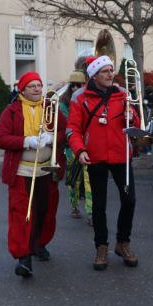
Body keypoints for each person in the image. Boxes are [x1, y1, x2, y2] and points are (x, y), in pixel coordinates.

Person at [68, 56, 140, 271]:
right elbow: (73, 129)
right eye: (105, 71)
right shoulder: (79, 97)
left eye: (111, 70)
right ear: (94, 75)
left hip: (121, 155)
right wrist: (80, 150)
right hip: (95, 156)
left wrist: (132, 118)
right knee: (98, 205)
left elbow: (135, 123)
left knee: (129, 200)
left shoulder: (123, 94)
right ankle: (101, 246)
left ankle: (123, 243)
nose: (110, 74)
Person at [0, 71, 67, 278]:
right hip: (21, 170)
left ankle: (40, 244)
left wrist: (51, 138)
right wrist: (27, 141)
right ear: (23, 90)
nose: (37, 89)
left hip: (47, 169)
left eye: (39, 85)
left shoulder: (51, 108)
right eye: (32, 86)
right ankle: (23, 257)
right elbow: (0, 139)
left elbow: (66, 131)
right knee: (21, 213)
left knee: (45, 210)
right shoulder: (11, 111)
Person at [59, 71, 92, 225]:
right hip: (71, 147)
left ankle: (91, 212)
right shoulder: (64, 104)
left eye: (79, 85)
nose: (75, 88)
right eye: (73, 85)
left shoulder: (90, 100)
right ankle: (74, 206)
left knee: (89, 179)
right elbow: (69, 126)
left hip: (89, 146)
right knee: (74, 179)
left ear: (85, 85)